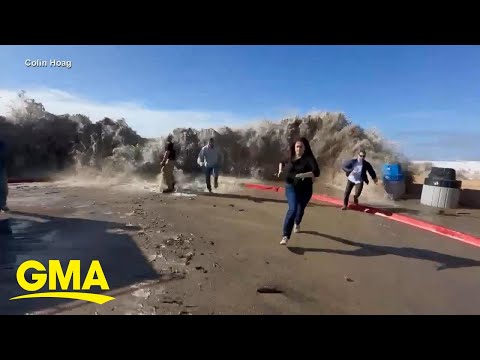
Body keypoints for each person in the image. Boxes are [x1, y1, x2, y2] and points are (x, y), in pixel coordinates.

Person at [277, 137, 320, 245]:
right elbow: (281, 162)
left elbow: (316, 172)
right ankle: (285, 236)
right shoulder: (291, 156)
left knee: (300, 211)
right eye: (297, 146)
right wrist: (280, 170)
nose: (298, 149)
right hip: (291, 187)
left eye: (301, 147)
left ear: (305, 148)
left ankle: (297, 222)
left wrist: (303, 175)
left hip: (306, 189)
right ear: (294, 147)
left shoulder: (309, 158)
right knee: (293, 209)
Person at [0, 141, 9, 212]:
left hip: (1, 168)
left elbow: (5, 155)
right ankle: (2, 204)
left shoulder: (2, 143)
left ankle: (2, 204)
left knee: (3, 188)